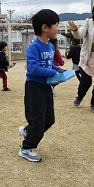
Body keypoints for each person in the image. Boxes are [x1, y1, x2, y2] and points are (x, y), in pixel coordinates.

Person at [18, 9, 62, 162]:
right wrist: (51, 72)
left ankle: (26, 131)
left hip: (46, 87)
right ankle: (26, 148)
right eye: (56, 25)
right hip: (34, 87)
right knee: (37, 121)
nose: (58, 28)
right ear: (45, 27)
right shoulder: (34, 47)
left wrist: (57, 69)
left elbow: (49, 64)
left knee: (49, 119)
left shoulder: (50, 46)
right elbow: (34, 69)